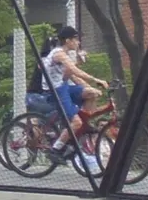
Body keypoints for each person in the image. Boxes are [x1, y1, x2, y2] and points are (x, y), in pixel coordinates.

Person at [42, 27, 108, 156]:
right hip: (55, 91)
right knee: (76, 122)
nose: (78, 43)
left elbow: (71, 75)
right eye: (76, 39)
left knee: (91, 94)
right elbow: (75, 70)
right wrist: (96, 80)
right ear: (68, 41)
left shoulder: (64, 55)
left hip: (63, 86)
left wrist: (89, 87)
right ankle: (56, 149)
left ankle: (82, 127)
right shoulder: (58, 54)